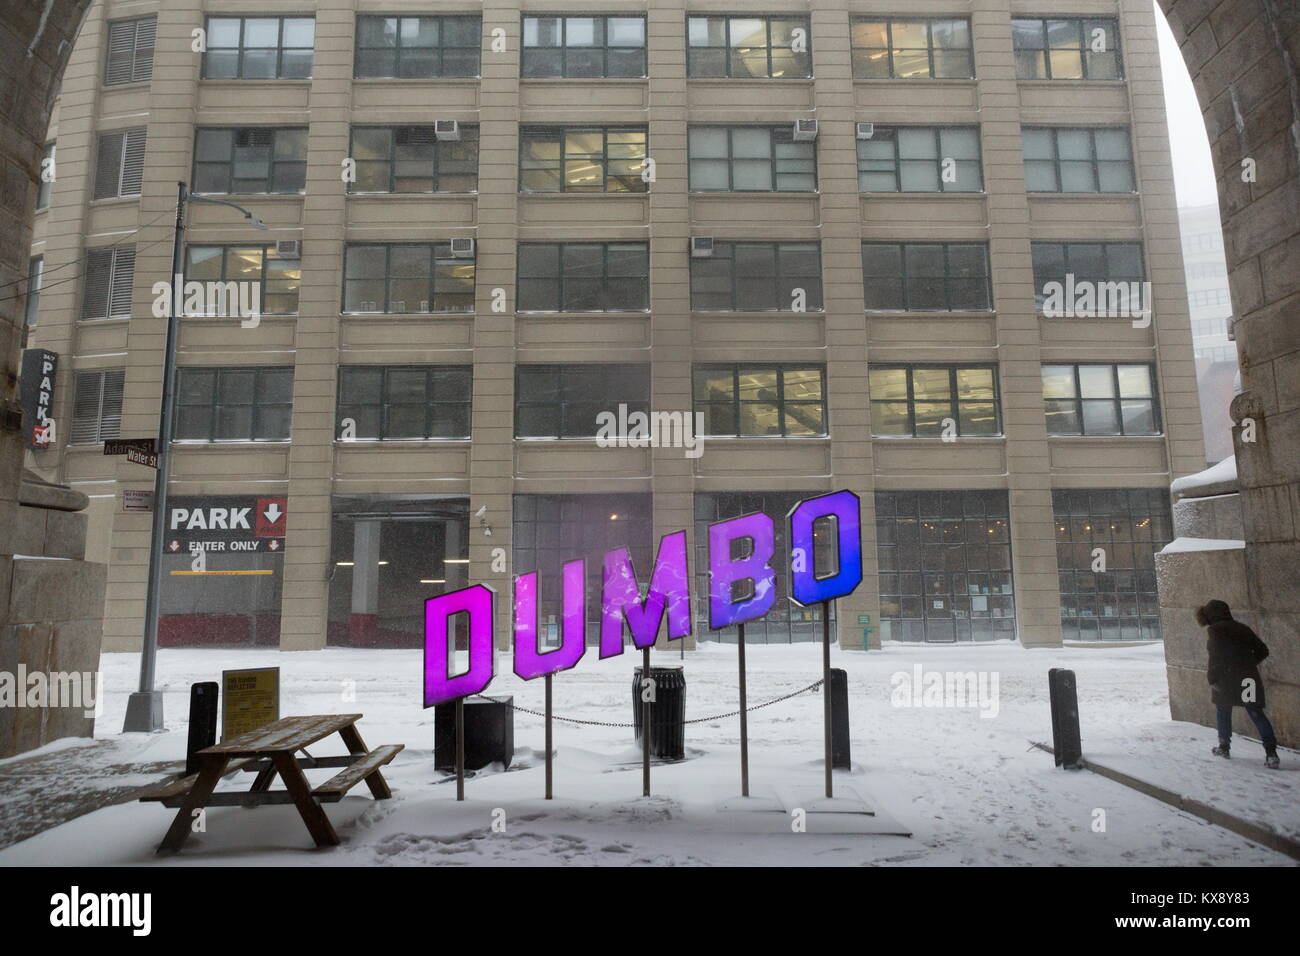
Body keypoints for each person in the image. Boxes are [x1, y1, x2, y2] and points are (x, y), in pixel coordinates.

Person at [1196, 600, 1280, 769]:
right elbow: (1263, 650)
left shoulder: (1215, 630)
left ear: (1211, 615)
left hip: (1225, 680)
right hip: (1248, 678)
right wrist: (1248, 664)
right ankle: (1271, 754)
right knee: (1256, 713)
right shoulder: (1242, 628)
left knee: (1223, 712)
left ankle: (1224, 747)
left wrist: (1212, 678)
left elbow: (1215, 656)